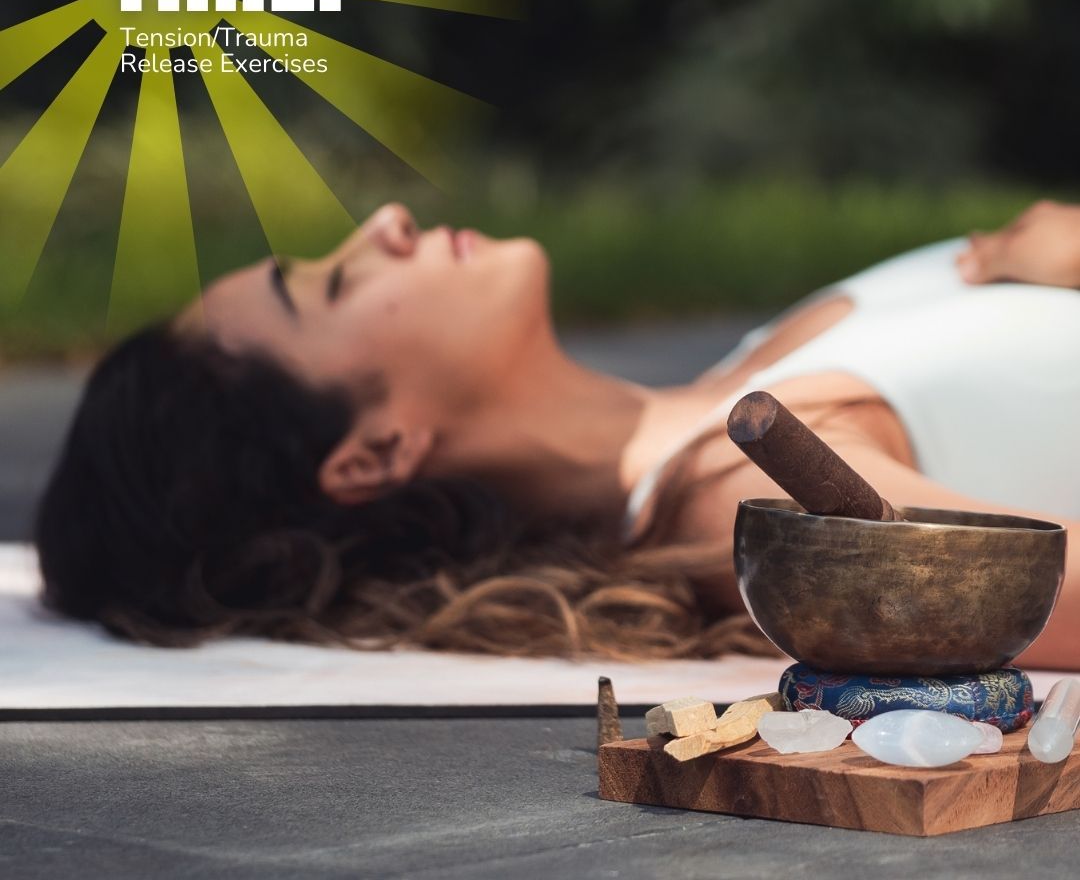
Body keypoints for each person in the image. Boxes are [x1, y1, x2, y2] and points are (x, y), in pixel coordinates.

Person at [34, 198, 1080, 667]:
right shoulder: (758, 504)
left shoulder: (740, 384)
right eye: (342, 281)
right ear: (376, 452)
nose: (389, 221)